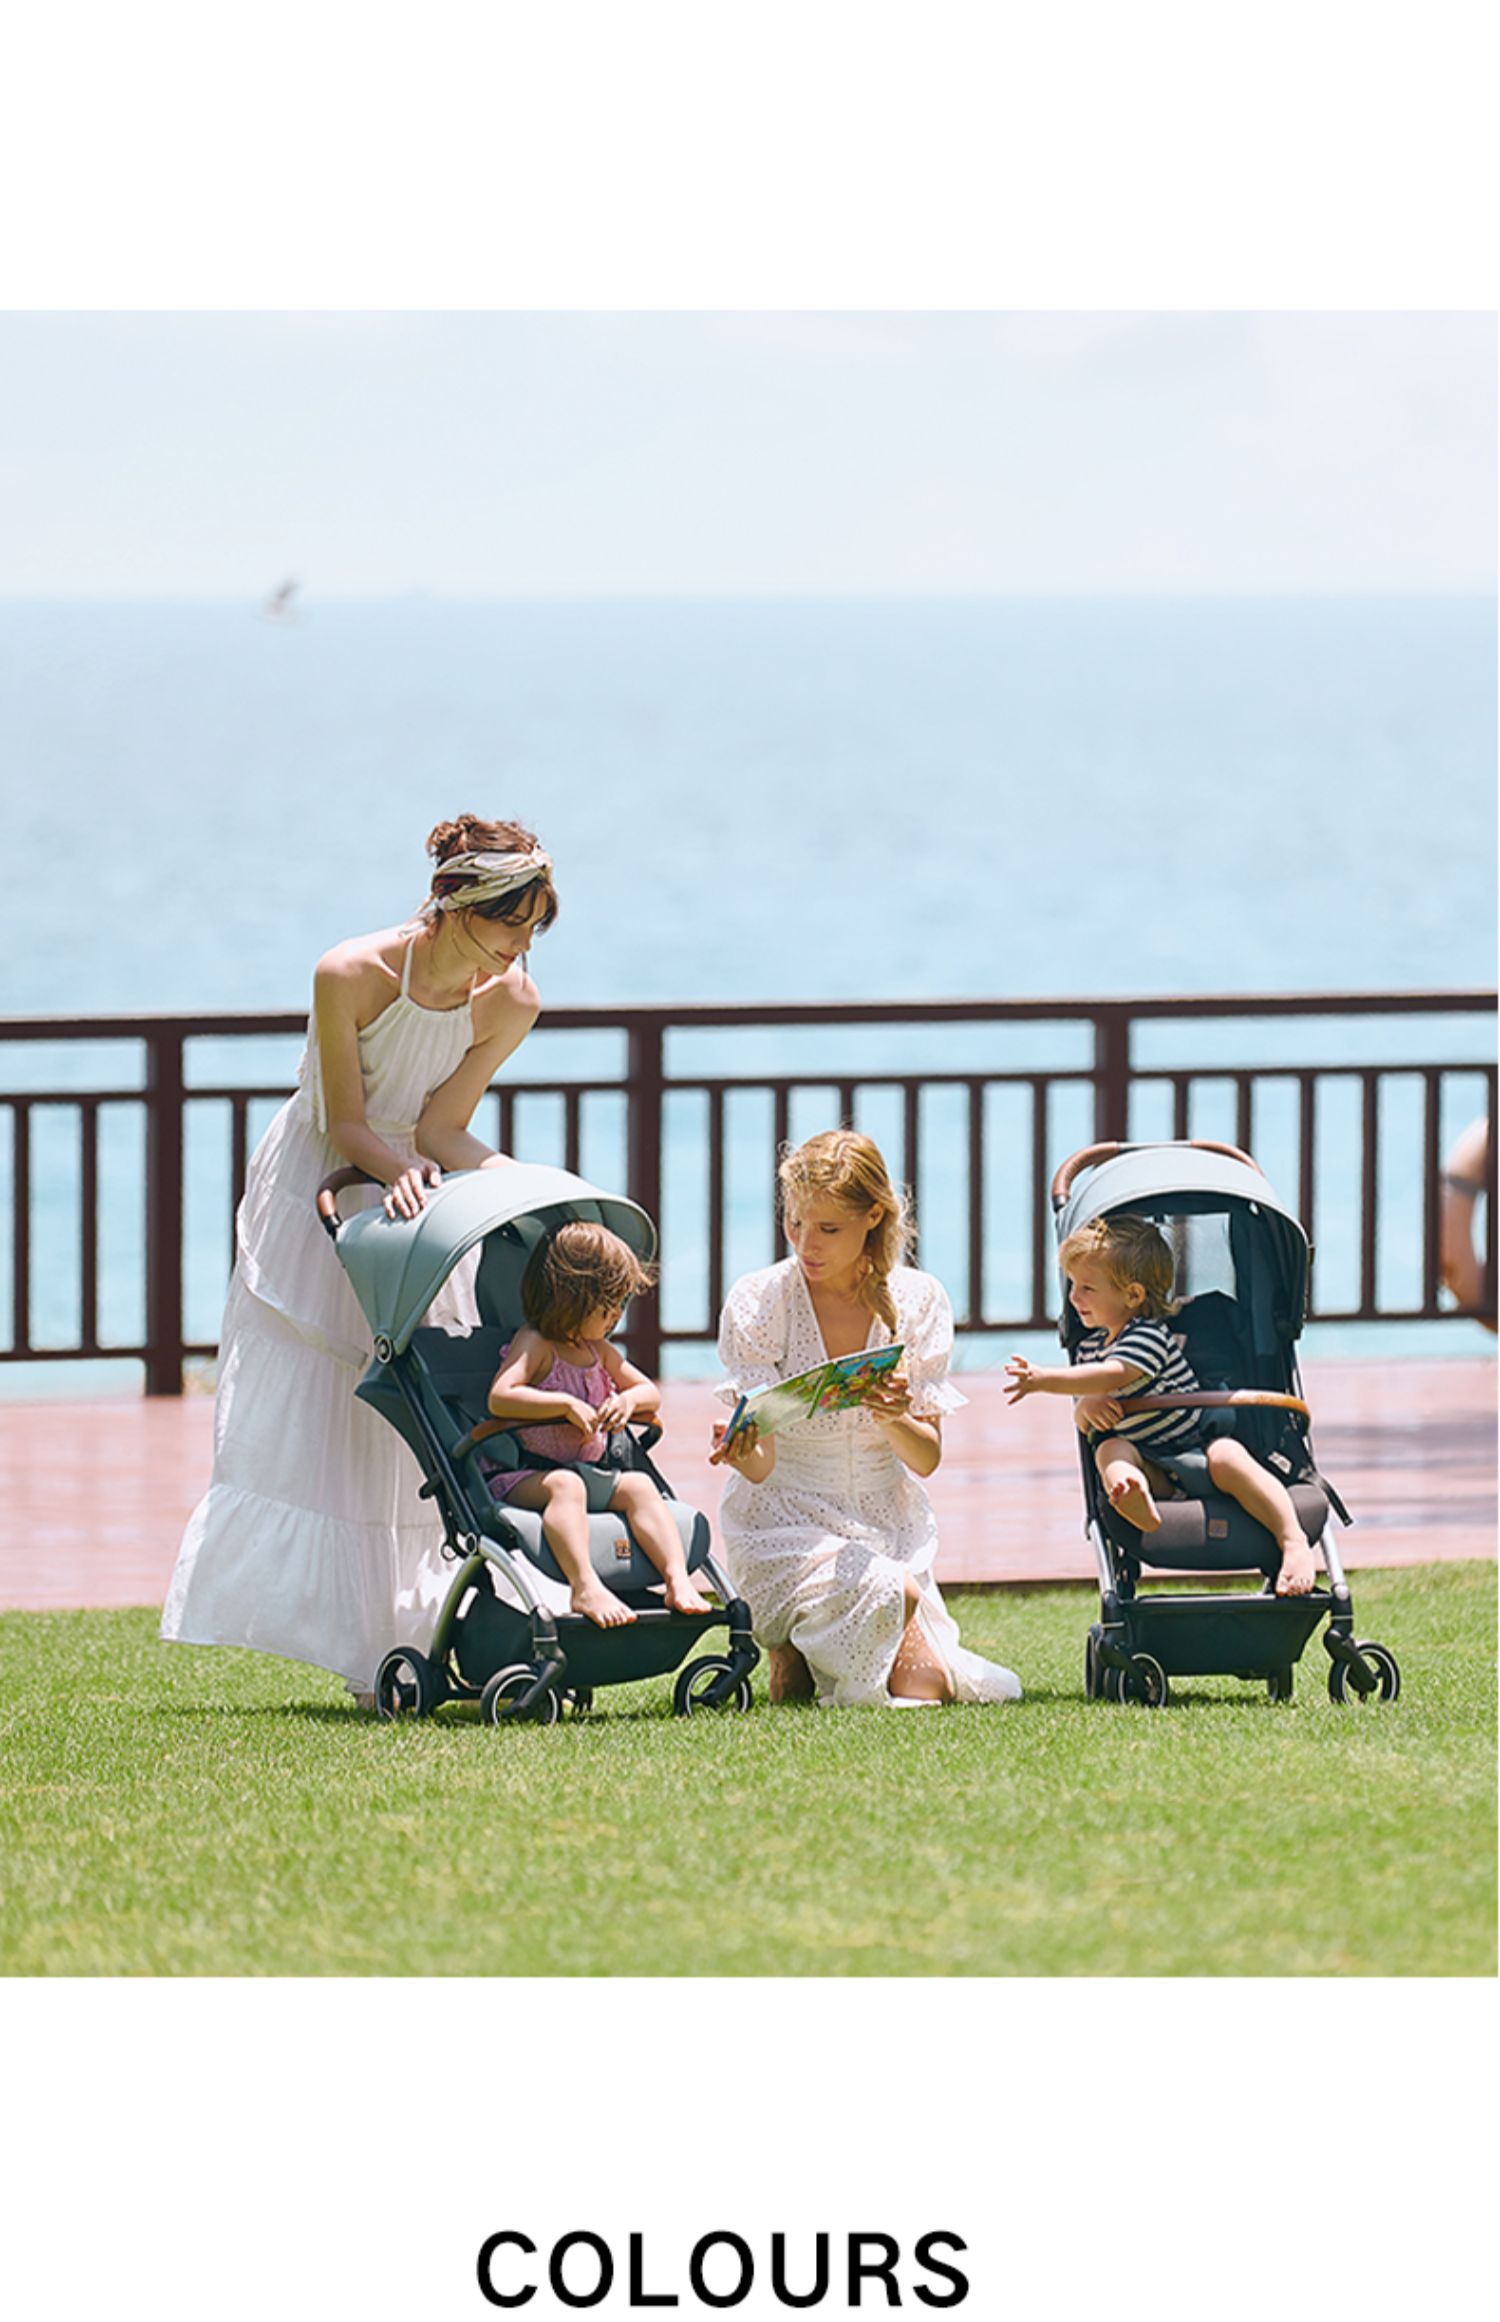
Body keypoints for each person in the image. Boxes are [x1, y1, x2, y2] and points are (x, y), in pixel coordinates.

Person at [161, 814, 556, 1694]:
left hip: (415, 1196)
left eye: (535, 928)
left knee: (407, 1407)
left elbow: (442, 1129)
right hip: (326, 1183)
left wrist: (521, 1185)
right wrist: (397, 1170)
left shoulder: (513, 1000)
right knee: (328, 1405)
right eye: (510, 923)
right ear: (455, 904)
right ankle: (346, 1635)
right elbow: (345, 1122)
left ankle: (409, 1630)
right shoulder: (349, 973)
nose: (521, 948)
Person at [709, 1130, 1023, 1708]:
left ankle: (809, 1651)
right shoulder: (761, 1299)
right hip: (783, 1522)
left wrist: (894, 1416)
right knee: (888, 1589)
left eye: (828, 1229)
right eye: (795, 1223)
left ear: (873, 1217)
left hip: (882, 1523)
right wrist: (742, 1449)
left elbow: (926, 1460)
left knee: (941, 1685)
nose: (807, 1244)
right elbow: (761, 1469)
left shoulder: (918, 1299)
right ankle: (790, 1640)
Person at [1003, 1212, 1319, 1595]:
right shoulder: (1090, 1347)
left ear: (1133, 1295)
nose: (1073, 1297)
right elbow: (1088, 1415)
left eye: (1087, 1288)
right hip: (1151, 1463)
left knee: (1229, 1455)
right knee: (1110, 1449)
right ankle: (1132, 1493)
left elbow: (1116, 1374)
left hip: (1197, 1449)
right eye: (1072, 1284)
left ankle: (1292, 1539)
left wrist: (1043, 1380)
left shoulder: (1147, 1336)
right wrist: (1084, 1409)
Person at [482, 1221, 714, 1628]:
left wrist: (626, 1401)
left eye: (620, 1304)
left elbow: (648, 1392)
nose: (617, 1316)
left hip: (590, 1472)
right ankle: (584, 1585)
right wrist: (563, 1404)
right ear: (571, 1298)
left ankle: (676, 1578)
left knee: (640, 1487)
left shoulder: (597, 1350)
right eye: (608, 1306)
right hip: (530, 1475)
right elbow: (501, 1395)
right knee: (566, 1486)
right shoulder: (536, 1343)